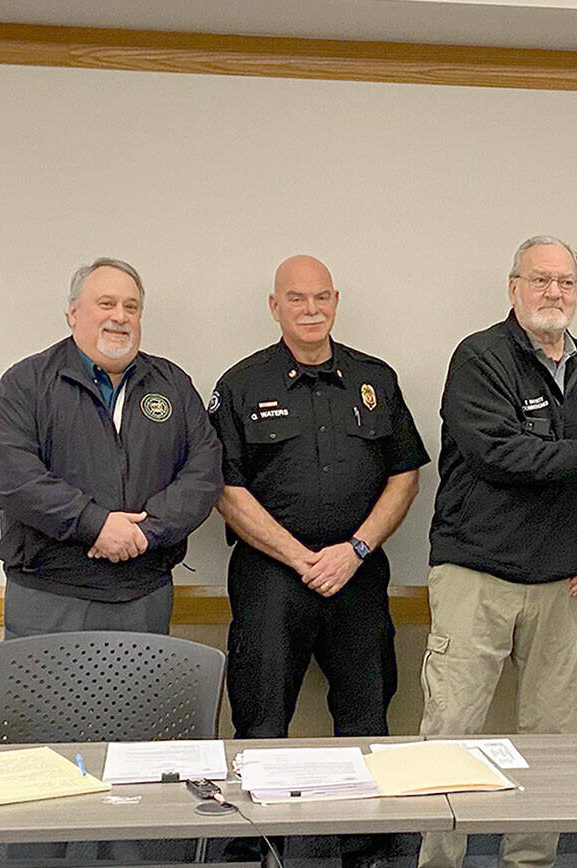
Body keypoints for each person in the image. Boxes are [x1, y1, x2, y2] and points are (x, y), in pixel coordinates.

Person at [209, 255, 428, 868]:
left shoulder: (375, 378)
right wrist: (301, 556)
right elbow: (226, 491)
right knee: (261, 714)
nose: (311, 310)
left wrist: (354, 550)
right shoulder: (242, 385)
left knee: (366, 710)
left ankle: (365, 845)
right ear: (274, 306)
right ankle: (258, 843)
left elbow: (404, 475)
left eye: (322, 298)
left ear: (336, 301)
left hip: (357, 573)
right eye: (297, 299)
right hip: (272, 575)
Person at [419, 236, 577, 868]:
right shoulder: (480, 358)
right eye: (540, 280)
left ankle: (530, 860)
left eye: (565, 282)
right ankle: (439, 862)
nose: (553, 293)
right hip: (476, 576)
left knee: (553, 739)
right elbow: (497, 454)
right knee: (451, 736)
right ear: (513, 287)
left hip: (558, 587)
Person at [0, 257, 222, 639]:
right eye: (106, 304)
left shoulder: (173, 385)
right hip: (49, 595)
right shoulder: (26, 384)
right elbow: (13, 479)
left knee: (141, 702)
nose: (120, 316)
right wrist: (95, 525)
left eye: (131, 307)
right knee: (47, 702)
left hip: (145, 593)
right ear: (73, 313)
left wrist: (146, 532)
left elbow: (204, 471)